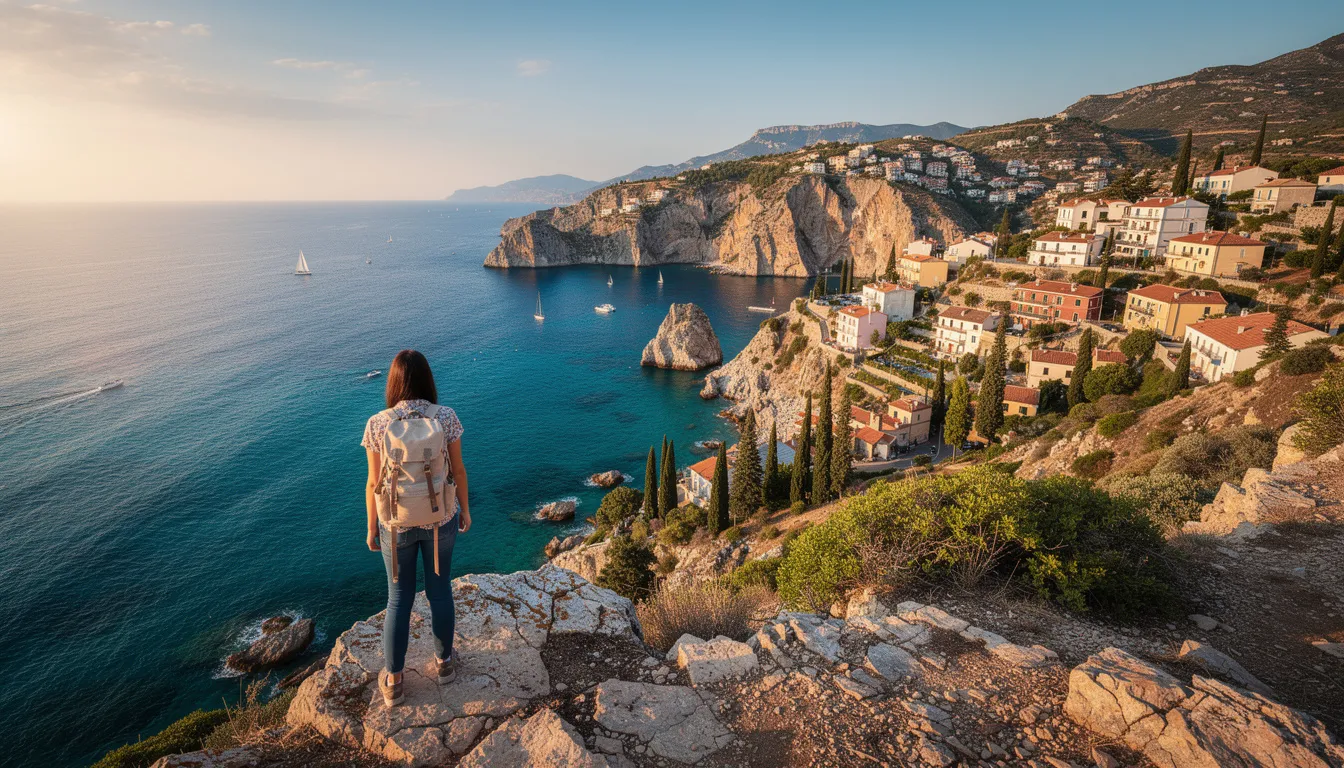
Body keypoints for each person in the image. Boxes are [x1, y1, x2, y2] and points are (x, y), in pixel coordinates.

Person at [361, 350, 471, 707]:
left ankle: (393, 681)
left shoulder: (378, 423)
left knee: (398, 599)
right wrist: (465, 511)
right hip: (441, 518)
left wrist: (371, 527)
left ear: (393, 382)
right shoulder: (446, 417)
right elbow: (459, 470)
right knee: (439, 591)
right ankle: (445, 665)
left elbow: (372, 481)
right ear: (428, 379)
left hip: (396, 524)